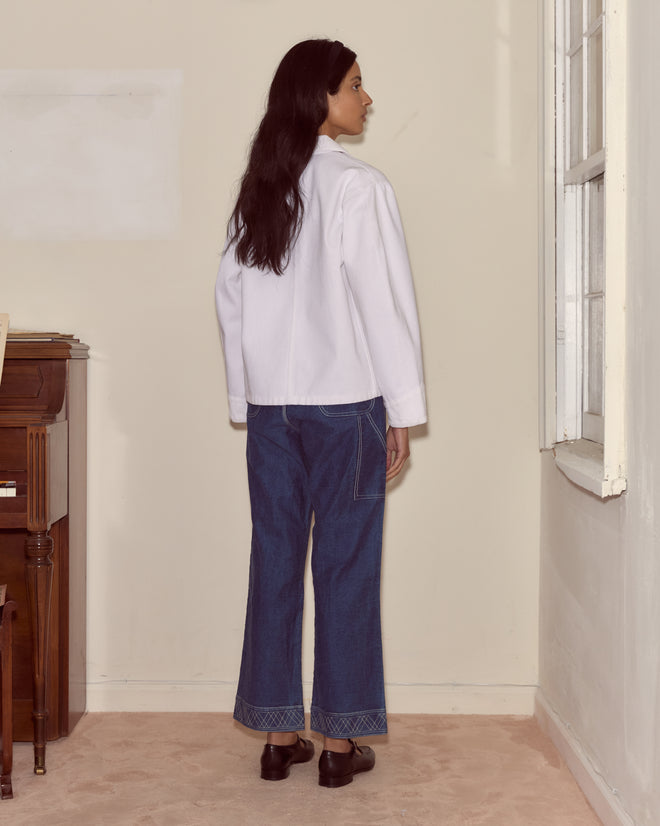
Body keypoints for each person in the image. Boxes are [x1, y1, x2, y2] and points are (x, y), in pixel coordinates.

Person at [215, 38, 426, 788]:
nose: (367, 99)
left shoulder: (262, 189)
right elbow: (383, 305)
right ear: (320, 97)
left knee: (275, 560)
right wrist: (402, 409)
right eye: (356, 85)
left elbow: (229, 300)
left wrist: (245, 399)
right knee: (345, 567)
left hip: (273, 411)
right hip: (346, 408)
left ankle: (279, 738)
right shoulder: (358, 187)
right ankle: (338, 747)